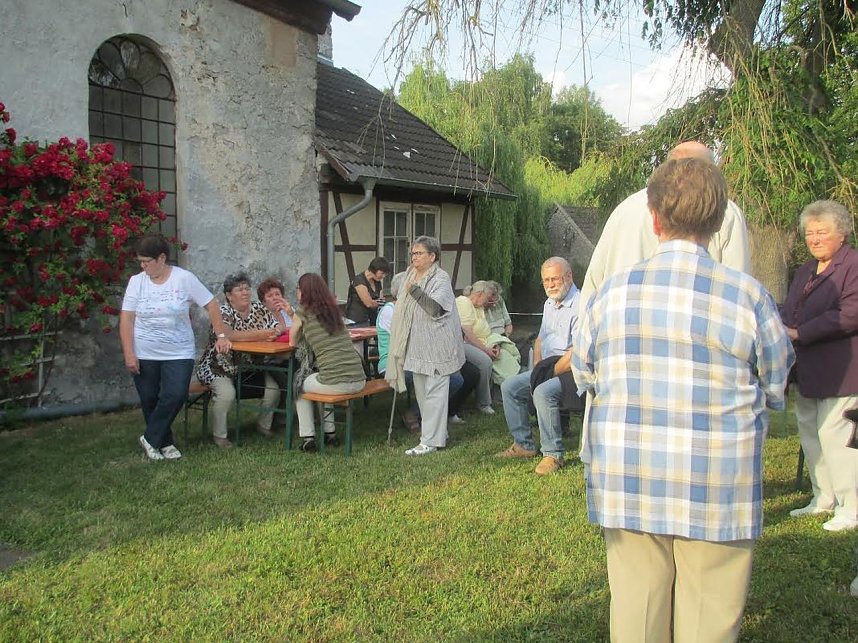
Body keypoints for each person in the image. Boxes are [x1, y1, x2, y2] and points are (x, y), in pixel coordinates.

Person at [572, 158, 794, 642]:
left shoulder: (610, 294)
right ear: (719, 223)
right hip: (717, 480)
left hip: (630, 476)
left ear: (653, 217)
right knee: (709, 617)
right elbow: (776, 383)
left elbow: (585, 372)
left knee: (637, 610)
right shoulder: (749, 296)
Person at [579, 141, 751, 308]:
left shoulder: (624, 209)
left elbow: (593, 284)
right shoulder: (725, 210)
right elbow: (739, 292)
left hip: (622, 322)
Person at [120, 234, 232, 461]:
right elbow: (127, 319)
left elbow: (211, 304)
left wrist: (221, 335)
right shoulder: (136, 282)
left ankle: (149, 438)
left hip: (178, 352)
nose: (143, 266)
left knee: (176, 394)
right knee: (150, 398)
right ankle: (165, 442)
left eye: (146, 261)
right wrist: (129, 353)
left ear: (161, 258)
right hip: (145, 351)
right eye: (140, 262)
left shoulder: (183, 279)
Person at [782, 200, 858, 531]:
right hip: (807, 369)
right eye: (810, 233)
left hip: (841, 369)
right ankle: (823, 496)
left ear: (841, 233)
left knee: (835, 435)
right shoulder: (805, 270)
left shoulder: (853, 266)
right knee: (810, 432)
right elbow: (791, 310)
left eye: (822, 232)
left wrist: (801, 332)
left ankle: (850, 506)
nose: (814, 239)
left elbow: (850, 313)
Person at [496, 257, 580, 475]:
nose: (550, 285)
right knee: (510, 387)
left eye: (555, 279)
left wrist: (547, 374)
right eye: (546, 281)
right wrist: (537, 369)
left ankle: (553, 454)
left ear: (569, 277)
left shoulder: (583, 304)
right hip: (548, 367)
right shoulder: (549, 303)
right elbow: (541, 340)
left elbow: (578, 352)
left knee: (542, 391)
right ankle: (523, 444)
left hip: (573, 370)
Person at [386, 236, 465, 455]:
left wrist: (415, 291)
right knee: (421, 391)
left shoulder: (441, 278)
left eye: (419, 253)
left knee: (435, 392)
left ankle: (430, 441)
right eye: (412, 254)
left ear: (433, 256)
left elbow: (435, 309)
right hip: (416, 344)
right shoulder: (410, 275)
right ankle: (438, 433)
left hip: (437, 344)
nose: (414, 257)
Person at [377, 272, 478, 427]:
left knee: (456, 380)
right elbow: (405, 342)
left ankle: (418, 414)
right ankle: (422, 417)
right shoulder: (390, 311)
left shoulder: (412, 308)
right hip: (395, 363)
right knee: (442, 377)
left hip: (418, 359)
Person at [196, 272, 284, 449]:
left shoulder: (259, 308)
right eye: (239, 289)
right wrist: (263, 333)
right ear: (229, 295)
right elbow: (229, 335)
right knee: (227, 394)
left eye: (247, 288)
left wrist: (266, 332)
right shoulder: (223, 312)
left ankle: (263, 425)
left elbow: (280, 327)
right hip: (219, 366)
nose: (245, 293)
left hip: (250, 367)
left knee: (273, 389)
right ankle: (220, 436)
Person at [290, 273, 366, 452]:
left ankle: (308, 437)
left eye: (298, 288)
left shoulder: (302, 311)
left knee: (299, 384)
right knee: (323, 377)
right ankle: (329, 434)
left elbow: (292, 341)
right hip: (359, 380)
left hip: (336, 383)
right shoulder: (334, 312)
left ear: (303, 291)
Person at [456, 280, 520, 414]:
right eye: (488, 297)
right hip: (463, 343)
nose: (488, 301)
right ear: (480, 294)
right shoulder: (464, 302)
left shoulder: (479, 307)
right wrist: (486, 349)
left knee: (507, 354)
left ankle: (505, 392)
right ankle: (483, 402)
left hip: (483, 341)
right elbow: (467, 332)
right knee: (485, 361)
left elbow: (486, 331)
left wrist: (494, 344)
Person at [344, 256, 390, 326]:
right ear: (375, 269)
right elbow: (368, 303)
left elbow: (381, 299)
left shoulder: (377, 281)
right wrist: (377, 302)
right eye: (382, 273)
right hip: (355, 321)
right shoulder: (359, 280)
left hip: (370, 319)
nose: (383, 276)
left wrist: (377, 302)